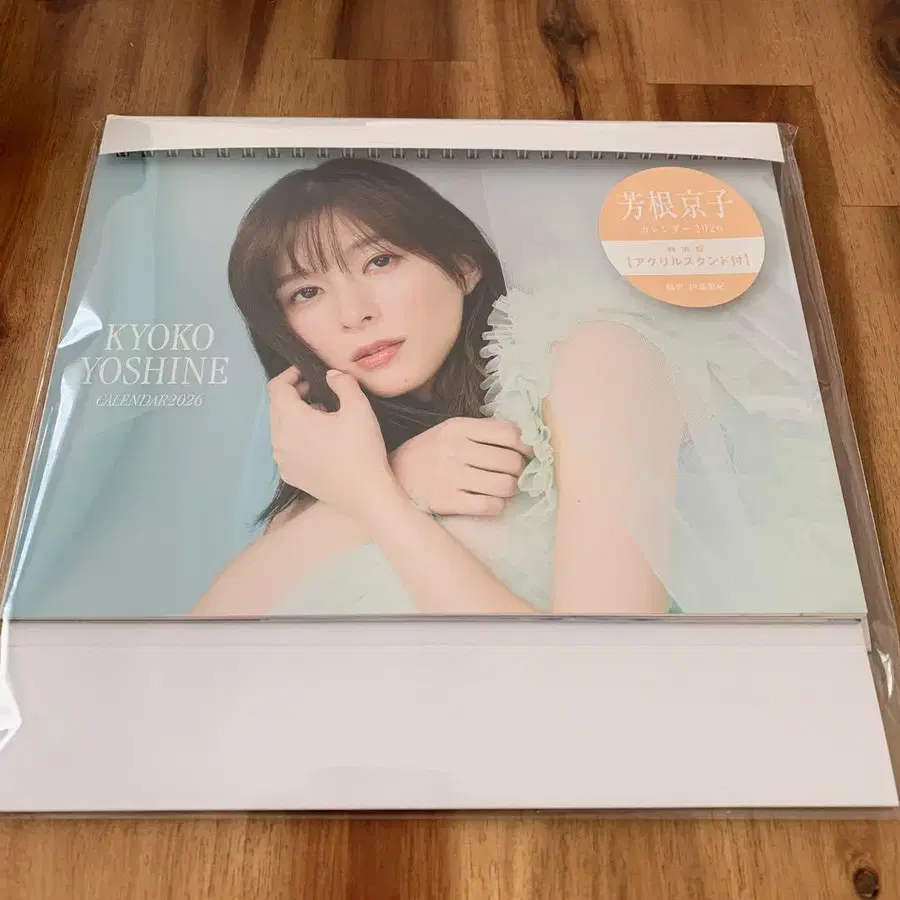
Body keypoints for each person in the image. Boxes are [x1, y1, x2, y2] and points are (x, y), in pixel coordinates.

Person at [190, 158, 690, 617]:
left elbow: (601, 663)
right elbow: (200, 642)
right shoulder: (336, 481)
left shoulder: (594, 356)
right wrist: (393, 477)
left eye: (379, 261)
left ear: (464, 263)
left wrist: (376, 497)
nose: (354, 313)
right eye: (307, 292)